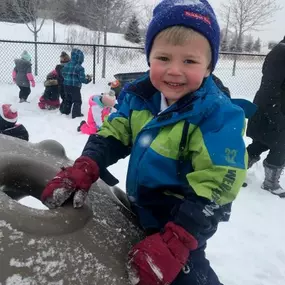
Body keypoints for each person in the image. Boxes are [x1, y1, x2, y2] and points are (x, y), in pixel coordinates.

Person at [41, 1, 253, 284]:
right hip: (140, 208)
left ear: (208, 67)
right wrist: (88, 163)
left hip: (182, 223)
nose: (174, 70)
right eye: (163, 58)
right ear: (149, 58)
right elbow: (116, 131)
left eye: (189, 61)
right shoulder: (140, 97)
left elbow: (217, 184)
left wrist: (178, 239)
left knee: (187, 278)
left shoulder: (217, 116)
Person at [246, 36, 285, 197]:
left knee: (262, 142)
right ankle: (270, 182)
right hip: (272, 109)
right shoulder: (281, 53)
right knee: (280, 145)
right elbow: (270, 86)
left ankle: (233, 170)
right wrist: (276, 114)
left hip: (275, 108)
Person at [60, 49, 92, 118]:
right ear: (80, 58)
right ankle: (76, 114)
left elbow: (63, 73)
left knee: (68, 99)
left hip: (66, 86)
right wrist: (88, 79)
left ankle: (65, 111)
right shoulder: (80, 68)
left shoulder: (66, 65)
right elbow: (82, 79)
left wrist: (68, 78)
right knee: (77, 101)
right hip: (75, 87)